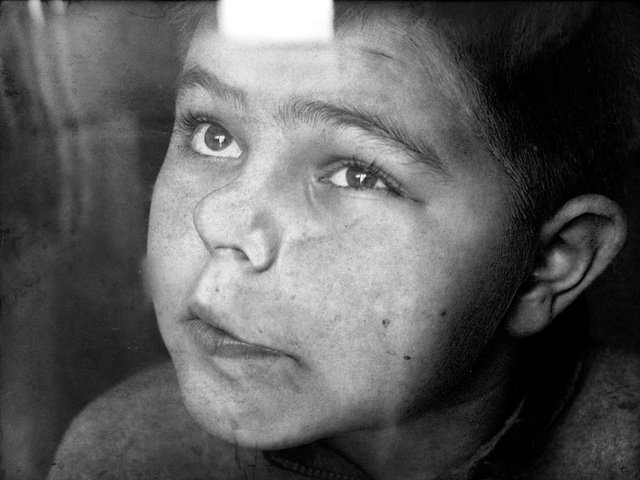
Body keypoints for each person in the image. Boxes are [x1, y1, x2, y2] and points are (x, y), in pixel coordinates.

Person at [47, 2, 640, 479]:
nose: (219, 222)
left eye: (358, 175)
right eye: (213, 136)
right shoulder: (121, 451)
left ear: (548, 263)